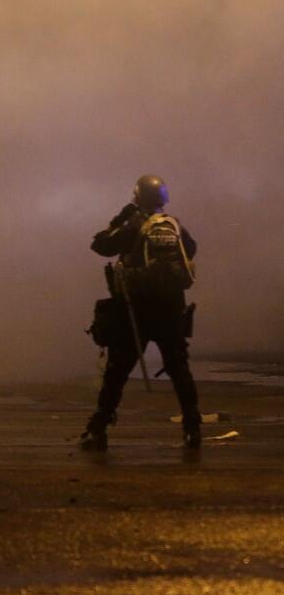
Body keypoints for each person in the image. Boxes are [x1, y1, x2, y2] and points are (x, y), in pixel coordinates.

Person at [79, 174, 200, 451]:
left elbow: (100, 244)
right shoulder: (174, 226)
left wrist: (120, 218)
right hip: (171, 309)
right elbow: (191, 251)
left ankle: (98, 429)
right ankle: (193, 429)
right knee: (180, 369)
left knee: (117, 371)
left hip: (138, 309)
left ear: (137, 198)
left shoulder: (134, 225)